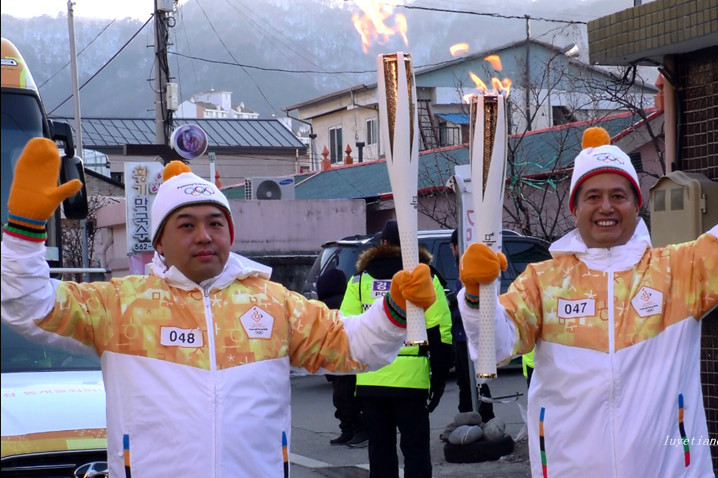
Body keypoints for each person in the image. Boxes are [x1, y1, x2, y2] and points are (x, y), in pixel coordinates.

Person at [0, 143, 437, 477]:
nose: (204, 235)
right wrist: (23, 235)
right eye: (186, 225)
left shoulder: (272, 302)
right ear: (159, 242)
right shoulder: (120, 305)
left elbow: (352, 345)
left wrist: (394, 308)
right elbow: (30, 306)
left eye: (215, 223)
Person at [457, 70, 718, 477]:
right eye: (592, 197)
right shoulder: (543, 282)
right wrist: (480, 296)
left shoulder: (677, 273)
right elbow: (493, 348)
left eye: (619, 195)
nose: (606, 207)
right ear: (574, 209)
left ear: (637, 205)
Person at [341, 220, 453, 478]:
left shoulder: (359, 281)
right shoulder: (426, 277)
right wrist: (439, 377)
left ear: (383, 243)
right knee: (415, 451)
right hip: (412, 383)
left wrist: (348, 385)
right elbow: (440, 331)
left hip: (371, 381)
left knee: (380, 451)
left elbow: (345, 331)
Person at [316, 267, 367, 447]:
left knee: (342, 398)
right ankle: (353, 430)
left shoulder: (324, 306)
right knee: (347, 396)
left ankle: (354, 430)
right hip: (349, 356)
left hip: (334, 358)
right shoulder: (346, 301)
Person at [448, 228, 494, 421]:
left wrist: (451, 307)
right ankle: (467, 419)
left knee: (477, 382)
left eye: (452, 246)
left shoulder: (470, 268)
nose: (452, 251)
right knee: (465, 383)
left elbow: (471, 305)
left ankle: (486, 420)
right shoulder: (463, 267)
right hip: (461, 336)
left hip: (470, 336)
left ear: (458, 246)